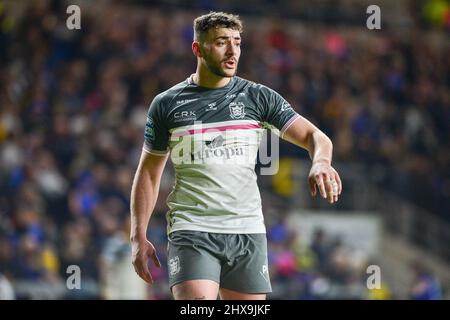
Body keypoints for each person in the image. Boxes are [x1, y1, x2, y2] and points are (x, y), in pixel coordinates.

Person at [130, 11, 342, 300]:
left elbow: (316, 137)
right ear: (198, 49)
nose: (232, 51)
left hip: (247, 231)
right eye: (221, 42)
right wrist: (137, 235)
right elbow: (149, 173)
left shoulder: (258, 97)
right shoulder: (167, 104)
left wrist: (320, 162)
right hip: (192, 229)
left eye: (237, 42)